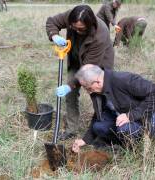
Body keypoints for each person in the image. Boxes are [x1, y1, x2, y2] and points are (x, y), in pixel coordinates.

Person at [70, 64, 155, 153]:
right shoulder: (98, 91)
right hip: (126, 121)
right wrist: (85, 140)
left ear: (97, 82)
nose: (88, 92)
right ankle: (125, 144)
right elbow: (99, 115)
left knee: (124, 128)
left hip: (151, 121)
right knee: (98, 126)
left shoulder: (124, 80)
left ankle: (140, 149)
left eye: (88, 88)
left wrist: (130, 116)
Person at [46, 5, 114, 140]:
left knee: (98, 96)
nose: (76, 31)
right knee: (70, 95)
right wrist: (54, 35)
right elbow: (52, 21)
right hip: (76, 59)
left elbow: (87, 71)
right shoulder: (72, 16)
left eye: (81, 29)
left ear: (90, 25)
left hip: (97, 65)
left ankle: (102, 131)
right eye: (74, 28)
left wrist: (70, 85)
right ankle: (71, 129)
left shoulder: (100, 34)